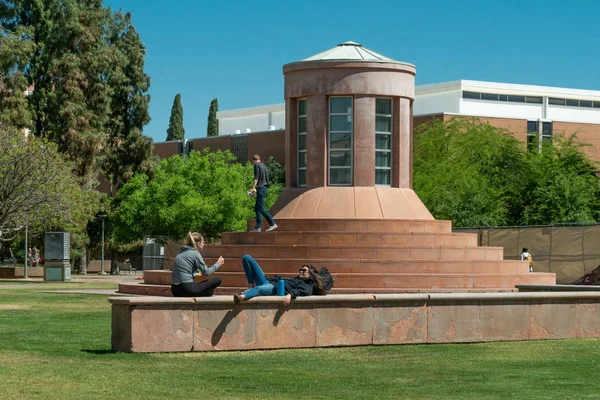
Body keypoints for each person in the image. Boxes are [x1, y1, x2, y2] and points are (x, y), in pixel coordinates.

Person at [233, 254, 324, 306]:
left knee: (259, 289)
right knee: (247, 258)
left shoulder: (307, 284)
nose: (301, 272)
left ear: (310, 273)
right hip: (268, 281)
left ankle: (241, 297)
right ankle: (251, 284)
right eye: (300, 270)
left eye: (304, 270)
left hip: (273, 288)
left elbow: (303, 291)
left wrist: (290, 295)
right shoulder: (297, 279)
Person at [171, 232, 224, 297]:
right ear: (198, 244)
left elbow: (183, 273)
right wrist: (218, 263)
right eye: (203, 242)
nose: (204, 244)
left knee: (209, 291)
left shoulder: (180, 254)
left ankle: (206, 292)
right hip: (187, 288)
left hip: (175, 290)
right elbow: (207, 272)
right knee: (218, 279)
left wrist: (195, 274)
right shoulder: (195, 253)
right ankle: (206, 292)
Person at [249, 154, 277, 233]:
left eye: (253, 162)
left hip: (261, 189)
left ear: (254, 160)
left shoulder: (256, 165)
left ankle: (272, 223)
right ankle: (258, 227)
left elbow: (256, 178)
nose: (253, 163)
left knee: (260, 208)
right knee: (257, 208)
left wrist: (252, 188)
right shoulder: (264, 166)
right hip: (264, 189)